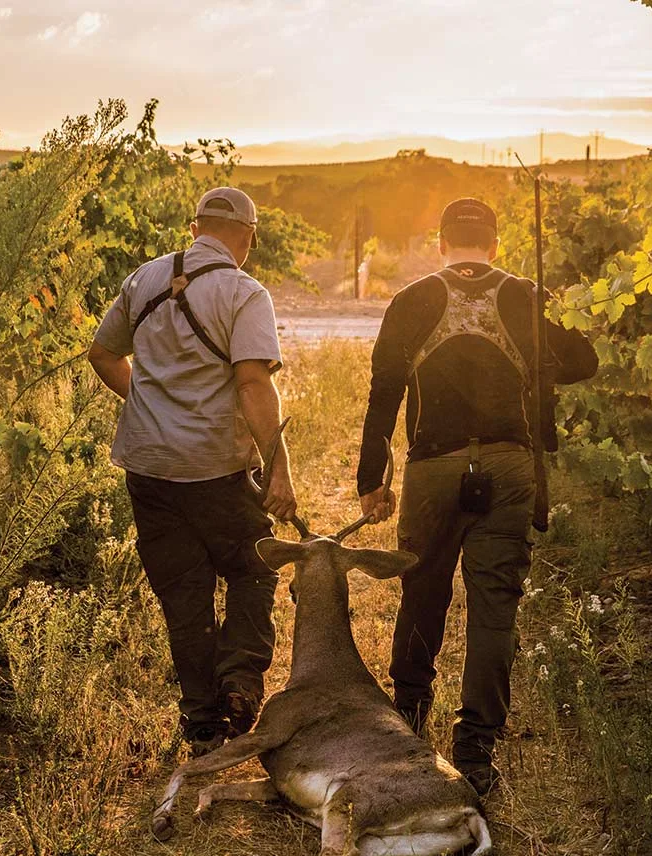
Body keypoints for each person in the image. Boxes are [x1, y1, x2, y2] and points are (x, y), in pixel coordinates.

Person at [355, 197, 597, 794]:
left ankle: (409, 723)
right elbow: (584, 361)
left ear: (441, 244)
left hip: (433, 469)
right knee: (494, 606)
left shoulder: (410, 301)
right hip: (512, 466)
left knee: (422, 593)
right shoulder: (524, 296)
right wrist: (540, 359)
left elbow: (382, 394)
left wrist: (371, 480)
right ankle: (476, 750)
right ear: (494, 245)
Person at [88, 186, 297, 758]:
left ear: (197, 225)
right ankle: (240, 686)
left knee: (185, 597)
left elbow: (102, 354)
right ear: (247, 236)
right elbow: (254, 384)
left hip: (150, 471)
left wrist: (148, 405)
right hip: (218, 471)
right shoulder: (242, 292)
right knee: (255, 572)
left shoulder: (145, 279)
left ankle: (202, 725)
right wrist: (279, 471)